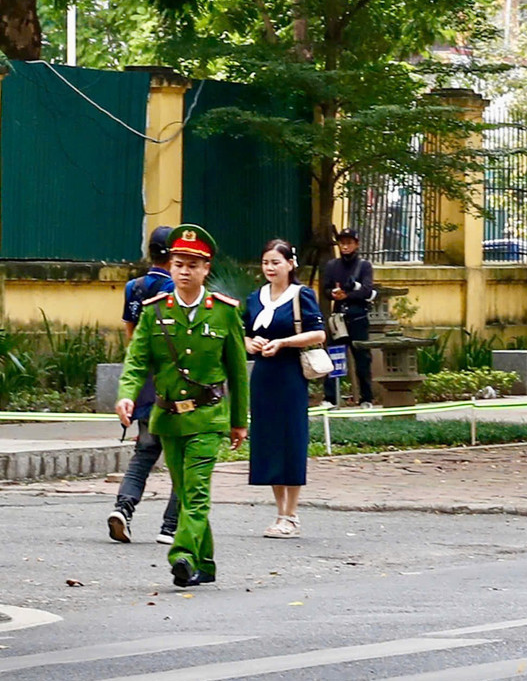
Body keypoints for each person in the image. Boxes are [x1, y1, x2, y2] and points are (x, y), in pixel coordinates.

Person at [115, 225, 248, 588]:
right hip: (168, 417)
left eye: (193, 264)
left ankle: (182, 555)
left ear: (207, 269)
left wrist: (239, 421)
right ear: (169, 266)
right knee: (186, 489)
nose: (185, 271)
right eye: (179, 263)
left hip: (207, 417)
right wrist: (126, 393)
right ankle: (205, 563)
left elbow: (237, 372)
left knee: (197, 488)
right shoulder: (154, 311)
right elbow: (137, 360)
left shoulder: (223, 312)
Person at [245, 240, 326, 538]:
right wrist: (250, 343)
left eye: (276, 262)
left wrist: (284, 342)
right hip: (264, 376)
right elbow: (243, 333)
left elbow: (319, 332)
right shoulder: (255, 298)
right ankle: (279, 510)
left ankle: (291, 514)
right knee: (268, 442)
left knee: (291, 440)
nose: (270, 267)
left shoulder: (301, 295)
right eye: (266, 262)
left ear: (290, 264)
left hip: (290, 375)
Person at [107, 226, 181, 546]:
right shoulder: (179, 291)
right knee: (182, 456)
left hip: (144, 384)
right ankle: (170, 526)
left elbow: (130, 334)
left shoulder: (132, 287)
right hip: (175, 385)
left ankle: (123, 508)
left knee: (144, 452)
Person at [321, 227, 375, 409]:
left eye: (349, 242)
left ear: (356, 244)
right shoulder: (332, 266)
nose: (345, 246)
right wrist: (333, 294)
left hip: (358, 317)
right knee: (333, 357)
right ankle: (330, 398)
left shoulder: (364, 266)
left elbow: (367, 290)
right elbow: (325, 289)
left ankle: (366, 398)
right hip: (338, 318)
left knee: (362, 359)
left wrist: (349, 295)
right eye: (342, 242)